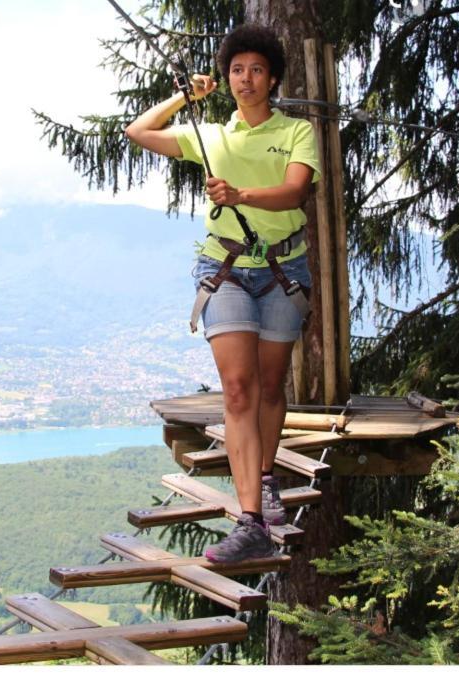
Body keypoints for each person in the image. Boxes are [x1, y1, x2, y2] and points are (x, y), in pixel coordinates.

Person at [125, 24, 321, 562]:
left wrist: (240, 193)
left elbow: (294, 192)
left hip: (282, 270)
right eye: (237, 70)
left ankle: (264, 473)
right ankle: (251, 519)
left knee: (271, 386)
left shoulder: (297, 133)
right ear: (228, 76)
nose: (246, 79)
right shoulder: (210, 135)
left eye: (256, 69)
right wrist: (185, 96)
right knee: (238, 389)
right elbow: (138, 132)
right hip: (226, 267)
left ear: (273, 77)